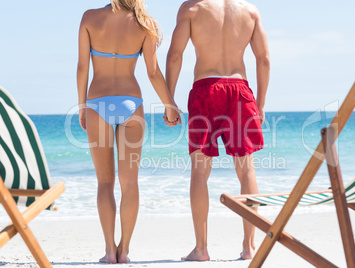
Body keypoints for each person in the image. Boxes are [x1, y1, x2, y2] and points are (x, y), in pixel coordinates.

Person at [165, 0, 270, 261]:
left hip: (205, 90)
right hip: (240, 90)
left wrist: (169, 101)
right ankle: (249, 247)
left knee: (200, 171)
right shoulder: (249, 11)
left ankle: (201, 249)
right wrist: (261, 103)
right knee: (246, 169)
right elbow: (263, 59)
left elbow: (175, 55)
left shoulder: (191, 9)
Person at [77, 0, 180, 264]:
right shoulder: (146, 24)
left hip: (97, 103)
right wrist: (170, 105)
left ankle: (110, 251)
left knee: (104, 182)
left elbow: (82, 68)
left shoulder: (89, 17)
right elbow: (153, 72)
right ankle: (124, 251)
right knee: (130, 183)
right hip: (131, 104)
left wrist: (81, 107)